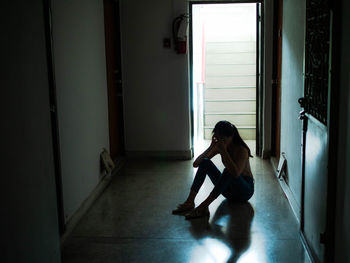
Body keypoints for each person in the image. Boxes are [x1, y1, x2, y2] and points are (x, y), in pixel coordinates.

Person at [172, 120, 254, 219]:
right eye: (218, 138)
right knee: (205, 162)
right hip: (229, 192)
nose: (220, 142)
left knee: (229, 171)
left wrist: (223, 151)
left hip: (244, 192)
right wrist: (211, 147)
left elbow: (236, 174)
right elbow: (196, 164)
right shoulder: (220, 146)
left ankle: (203, 206)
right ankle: (189, 202)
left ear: (231, 137)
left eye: (223, 139)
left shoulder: (242, 150)